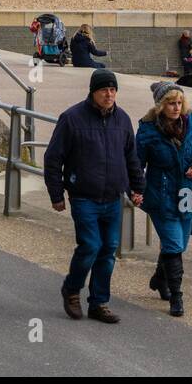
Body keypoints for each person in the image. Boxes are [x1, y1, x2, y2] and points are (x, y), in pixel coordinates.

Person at [43, 70, 144, 323]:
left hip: (113, 197)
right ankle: (72, 289)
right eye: (103, 90)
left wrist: (137, 187)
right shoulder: (72, 118)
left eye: (112, 90)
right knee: (90, 246)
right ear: (93, 92)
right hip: (83, 196)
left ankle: (99, 302)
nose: (109, 94)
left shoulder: (122, 119)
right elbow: (53, 159)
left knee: (108, 250)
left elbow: (131, 157)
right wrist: (56, 194)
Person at [137, 81, 192, 317]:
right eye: (171, 103)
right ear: (160, 106)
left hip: (188, 193)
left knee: (179, 245)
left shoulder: (191, 121)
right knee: (174, 245)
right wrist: (136, 189)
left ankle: (159, 277)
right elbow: (137, 164)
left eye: (179, 103)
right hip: (161, 194)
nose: (176, 108)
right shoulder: (148, 130)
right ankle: (176, 297)